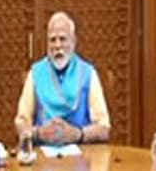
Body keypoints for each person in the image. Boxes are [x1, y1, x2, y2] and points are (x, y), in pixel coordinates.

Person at [14, 11, 111, 145]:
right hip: (43, 153)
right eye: (52, 40)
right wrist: (38, 133)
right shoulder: (35, 73)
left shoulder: (88, 73)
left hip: (81, 153)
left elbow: (104, 128)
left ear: (74, 41)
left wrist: (77, 134)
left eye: (63, 39)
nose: (57, 46)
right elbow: (21, 123)